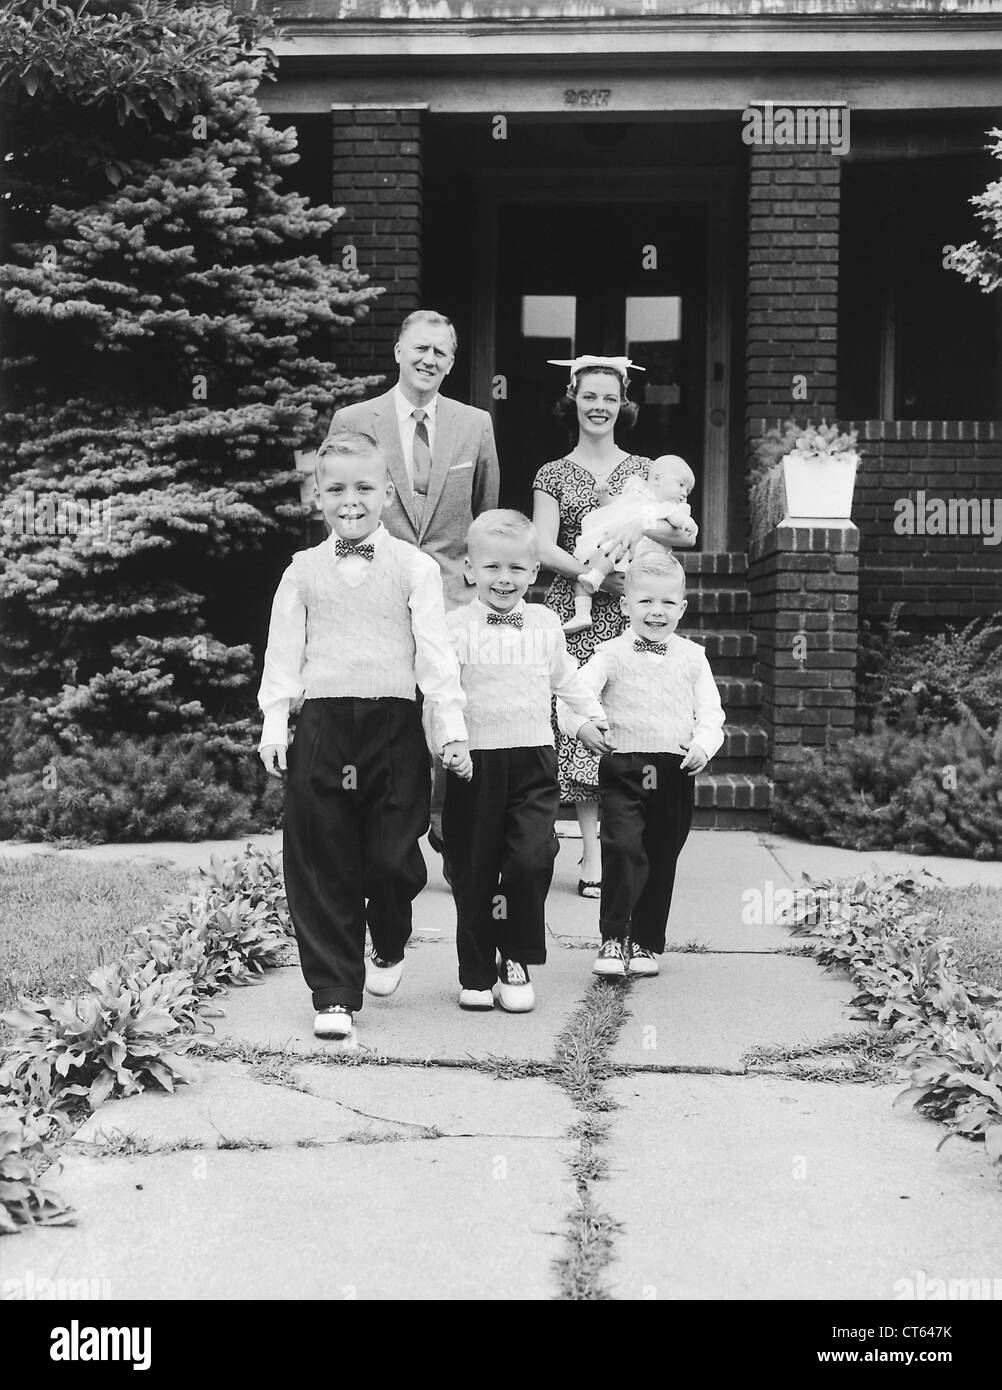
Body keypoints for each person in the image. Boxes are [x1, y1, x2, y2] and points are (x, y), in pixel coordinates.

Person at [258, 431, 472, 1041]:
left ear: (387, 493)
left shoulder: (416, 567)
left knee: (391, 857)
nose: (349, 500)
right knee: (321, 856)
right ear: (317, 495)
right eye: (335, 489)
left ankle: (390, 934)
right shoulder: (302, 572)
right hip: (325, 724)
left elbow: (435, 658)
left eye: (364, 487)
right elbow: (282, 654)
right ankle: (332, 991)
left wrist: (449, 728)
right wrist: (276, 721)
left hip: (393, 726)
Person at [322, 309, 500, 874]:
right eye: (419, 348)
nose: (428, 360)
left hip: (451, 592)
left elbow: (488, 510)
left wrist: (477, 574)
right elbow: (337, 503)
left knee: (452, 713)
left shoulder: (475, 425)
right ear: (398, 350)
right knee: (386, 716)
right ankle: (389, 835)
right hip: (376, 589)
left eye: (441, 353)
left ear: (451, 362)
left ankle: (451, 834)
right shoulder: (355, 417)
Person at [531, 356, 696, 899]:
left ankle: (626, 835)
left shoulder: (646, 469)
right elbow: (541, 545)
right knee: (584, 716)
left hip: (633, 606)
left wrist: (635, 521)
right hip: (579, 606)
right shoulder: (552, 473)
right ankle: (592, 850)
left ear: (622, 403)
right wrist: (591, 576)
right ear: (573, 399)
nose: (598, 406)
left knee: (628, 716)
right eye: (589, 396)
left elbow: (684, 535)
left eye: (609, 397)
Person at [441, 511, 607, 1013]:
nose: (504, 579)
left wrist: (591, 716)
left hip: (535, 758)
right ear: (470, 569)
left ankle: (516, 956)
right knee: (473, 867)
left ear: (535, 571)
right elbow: (441, 692)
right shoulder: (455, 627)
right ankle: (474, 969)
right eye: (492, 567)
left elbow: (567, 680)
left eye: (516, 568)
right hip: (475, 763)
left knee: (531, 858)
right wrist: (450, 740)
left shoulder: (545, 623)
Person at [557, 550, 725, 977]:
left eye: (668, 602)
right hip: (625, 766)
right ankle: (613, 938)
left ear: (682, 608)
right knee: (622, 847)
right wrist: (582, 727)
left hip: (674, 770)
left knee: (660, 855)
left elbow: (711, 713)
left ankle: (647, 943)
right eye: (646, 601)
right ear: (625, 605)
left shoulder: (693, 657)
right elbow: (575, 695)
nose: (656, 611)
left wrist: (704, 745)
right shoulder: (609, 653)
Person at [564, 454, 699, 634]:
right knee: (587, 568)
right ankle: (582, 612)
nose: (684, 494)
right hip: (612, 543)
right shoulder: (635, 490)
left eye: (688, 491)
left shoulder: (667, 507)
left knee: (617, 552)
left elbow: (682, 524)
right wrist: (604, 496)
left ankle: (596, 577)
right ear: (657, 479)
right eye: (681, 485)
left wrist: (688, 523)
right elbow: (613, 504)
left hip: (636, 555)